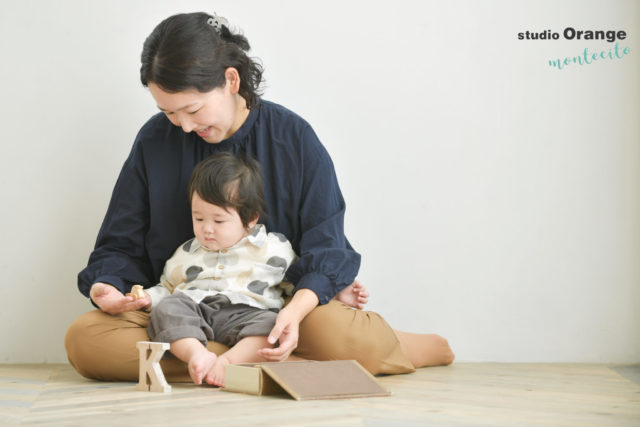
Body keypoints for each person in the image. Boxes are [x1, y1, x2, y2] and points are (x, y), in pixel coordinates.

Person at [65, 11, 454, 382]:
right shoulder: (154, 141)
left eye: (193, 109)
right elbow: (120, 242)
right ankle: (247, 361)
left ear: (231, 80)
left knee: (345, 335)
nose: (183, 126)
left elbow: (326, 243)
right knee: (87, 342)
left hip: (274, 309)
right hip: (181, 310)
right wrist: (107, 288)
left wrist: (296, 312)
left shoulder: (293, 138)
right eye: (169, 114)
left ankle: (387, 346)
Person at [140, 152, 365, 386]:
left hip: (248, 314)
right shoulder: (187, 251)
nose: (207, 229)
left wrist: (339, 294)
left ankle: (228, 362)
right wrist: (146, 298)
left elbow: (298, 283)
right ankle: (195, 354)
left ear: (250, 219)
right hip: (197, 309)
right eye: (198, 219)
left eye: (218, 221)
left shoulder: (274, 249)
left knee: (274, 327)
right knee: (167, 309)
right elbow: (167, 287)